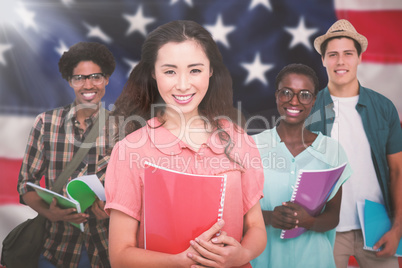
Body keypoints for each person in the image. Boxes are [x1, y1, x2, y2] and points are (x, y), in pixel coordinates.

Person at [104, 20, 266, 268]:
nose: (182, 85)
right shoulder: (130, 150)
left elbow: (256, 228)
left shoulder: (239, 140)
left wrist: (241, 255)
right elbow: (120, 256)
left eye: (195, 70)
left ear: (211, 70)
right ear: (153, 72)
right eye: (170, 71)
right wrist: (181, 261)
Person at [307, 19, 402, 267]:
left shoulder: (384, 107)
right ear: (323, 60)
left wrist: (398, 229)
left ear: (359, 58)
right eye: (333, 55)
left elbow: (398, 172)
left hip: (378, 228)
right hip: (325, 232)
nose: (340, 61)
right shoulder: (308, 109)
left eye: (348, 54)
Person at [17, 41, 115, 267]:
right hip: (55, 250)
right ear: (70, 81)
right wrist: (50, 213)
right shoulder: (46, 123)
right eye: (79, 78)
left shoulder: (121, 128)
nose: (88, 85)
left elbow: (133, 190)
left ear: (106, 79)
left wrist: (110, 209)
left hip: (105, 251)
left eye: (96, 76)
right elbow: (25, 184)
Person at [250, 63, 351, 268]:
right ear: (277, 96)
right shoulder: (251, 147)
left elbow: (333, 216)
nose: (294, 101)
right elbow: (236, 212)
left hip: (315, 260)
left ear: (313, 101)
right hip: (263, 260)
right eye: (286, 92)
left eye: (304, 94)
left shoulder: (332, 151)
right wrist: (269, 217)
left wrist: (309, 221)